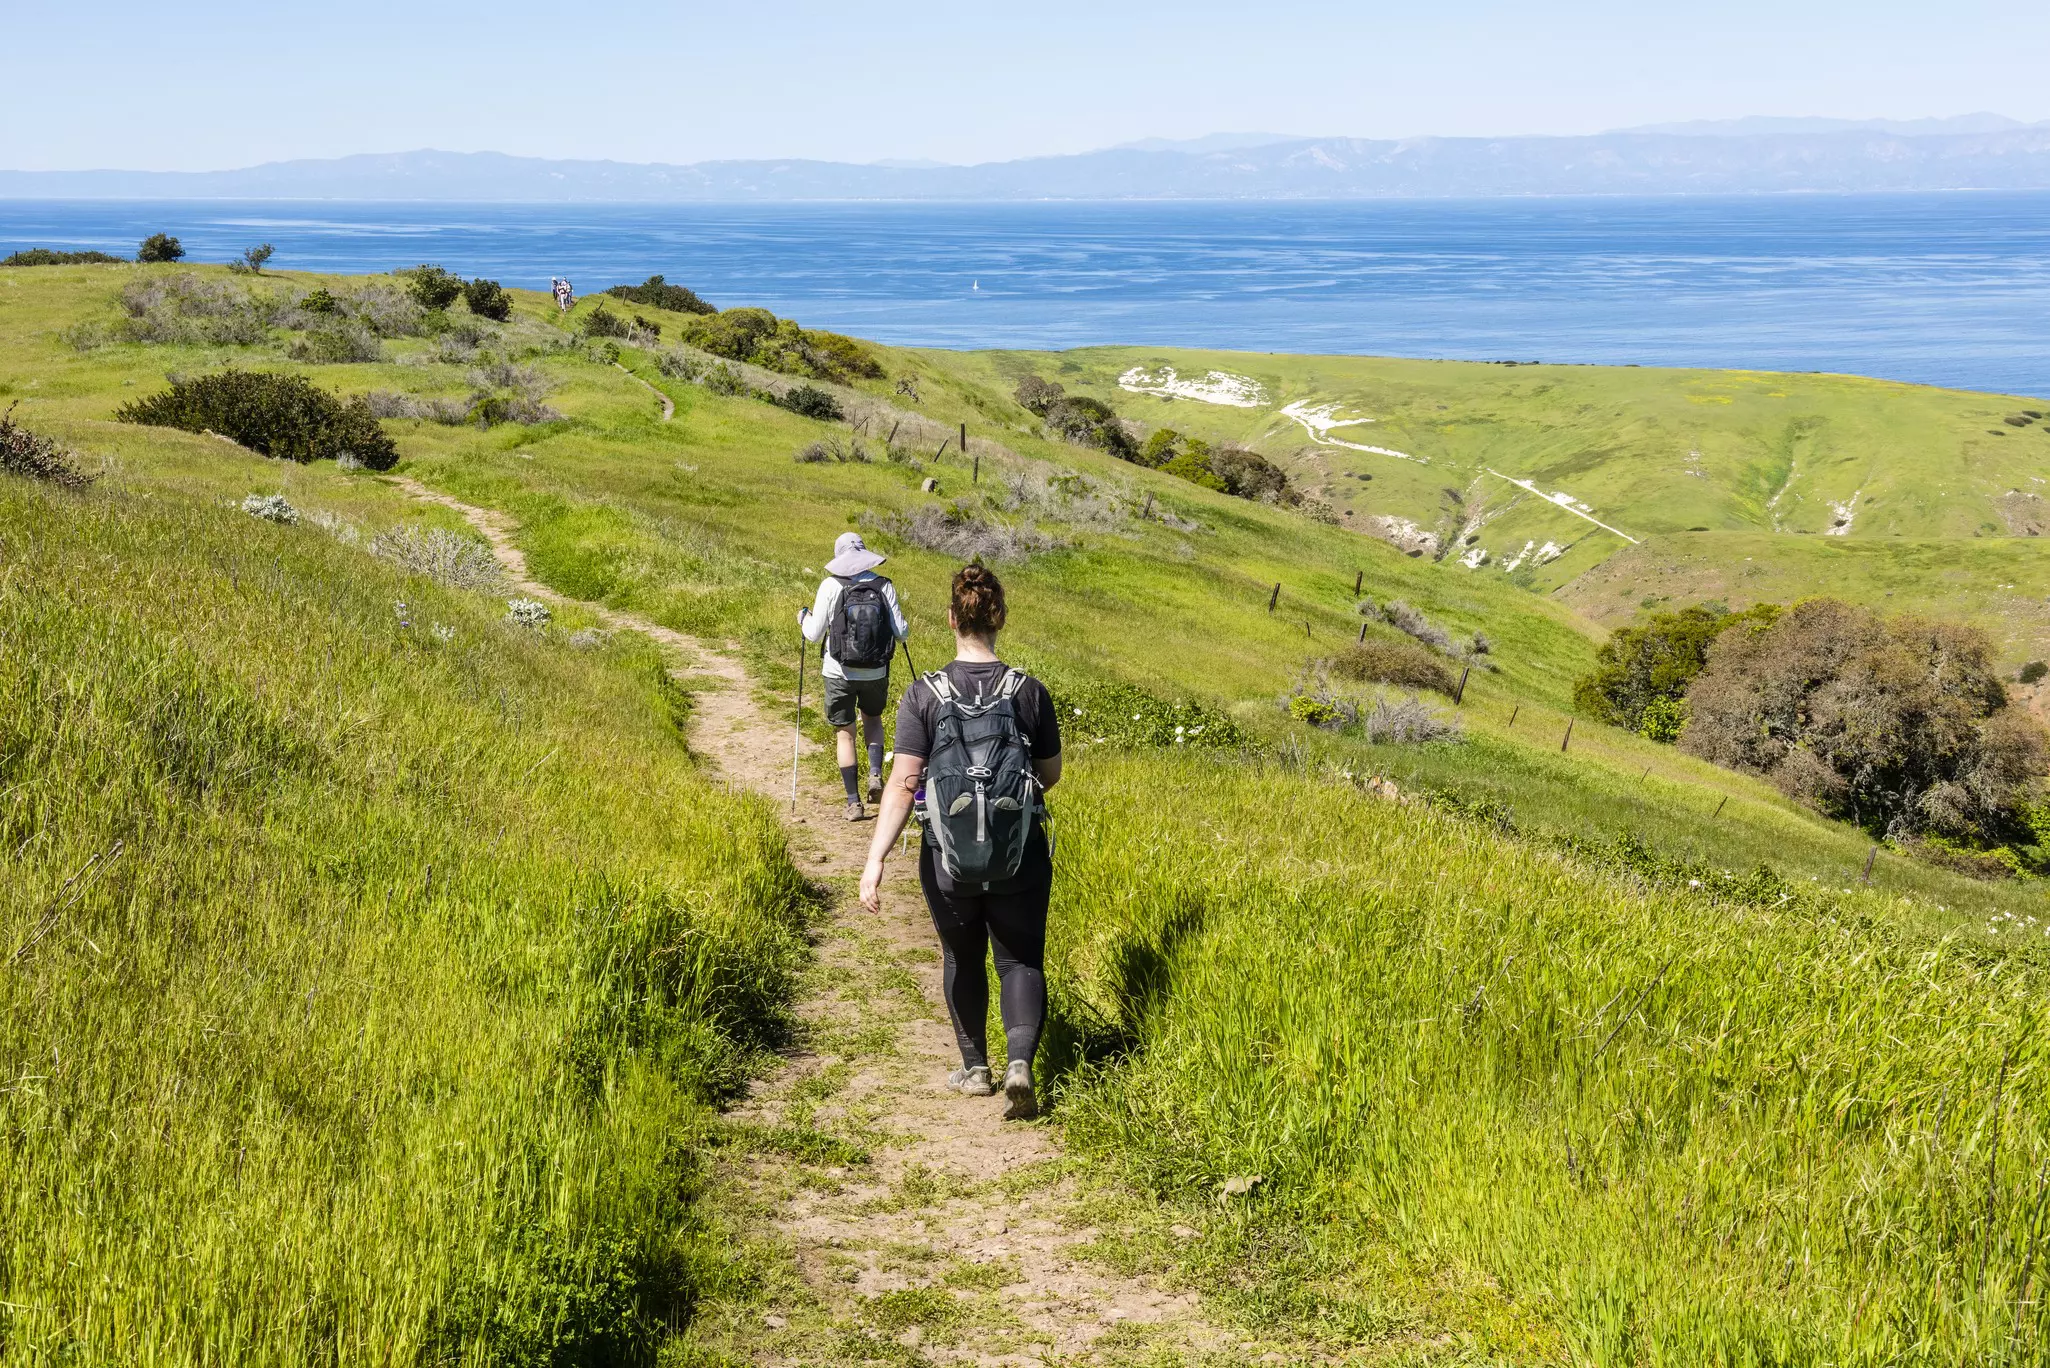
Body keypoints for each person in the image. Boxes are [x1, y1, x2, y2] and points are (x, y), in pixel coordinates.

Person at [859, 563, 1062, 1120]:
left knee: (962, 956)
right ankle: (1020, 1061)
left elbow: (904, 784)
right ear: (999, 618)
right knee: (1020, 960)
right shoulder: (1029, 692)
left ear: (952, 618)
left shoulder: (924, 694)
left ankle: (976, 1069)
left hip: (947, 858)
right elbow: (1049, 773)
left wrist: (874, 861)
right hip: (1018, 851)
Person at [800, 532, 909, 819]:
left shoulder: (830, 585)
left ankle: (853, 803)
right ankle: (875, 775)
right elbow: (902, 633)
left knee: (845, 734)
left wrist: (803, 618)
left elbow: (813, 635)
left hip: (838, 671)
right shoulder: (884, 586)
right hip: (875, 670)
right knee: (872, 720)